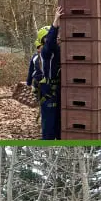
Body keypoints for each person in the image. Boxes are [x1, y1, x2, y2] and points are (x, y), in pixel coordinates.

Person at [34, 8, 63, 140]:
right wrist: (55, 22)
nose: (57, 38)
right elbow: (51, 42)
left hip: (59, 90)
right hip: (49, 92)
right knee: (49, 126)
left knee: (60, 125)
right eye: (54, 36)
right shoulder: (47, 52)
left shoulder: (58, 50)